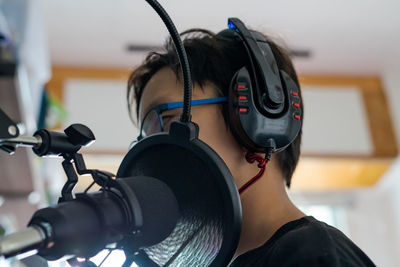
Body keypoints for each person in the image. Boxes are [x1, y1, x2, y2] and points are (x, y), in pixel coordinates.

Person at [126, 26, 375, 266]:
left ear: (254, 118)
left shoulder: (313, 257)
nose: (153, 150)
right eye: (147, 136)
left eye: (166, 121)